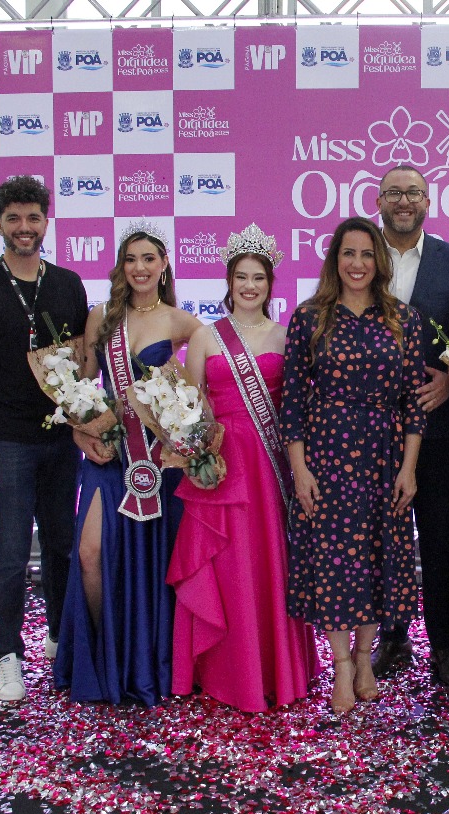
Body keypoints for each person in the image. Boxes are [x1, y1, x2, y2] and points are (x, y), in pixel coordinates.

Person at [166, 225, 320, 711]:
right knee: (226, 563)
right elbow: (190, 409)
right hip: (220, 466)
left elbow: (297, 407)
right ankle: (225, 670)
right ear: (229, 282)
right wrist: (194, 456)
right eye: (241, 277)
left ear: (271, 284)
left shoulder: (286, 335)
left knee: (266, 562)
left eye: (258, 278)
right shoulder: (205, 336)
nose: (249, 286)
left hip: (268, 466)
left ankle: (272, 669)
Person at [0, 175, 89, 702]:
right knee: (9, 556)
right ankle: (7, 657)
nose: (24, 227)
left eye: (33, 217)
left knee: (61, 547)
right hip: (5, 442)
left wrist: (86, 424)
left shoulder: (68, 284)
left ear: (46, 222)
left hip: (60, 440)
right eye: (14, 219)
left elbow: (81, 365)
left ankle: (58, 638)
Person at [280, 217, 426, 715]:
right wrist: (300, 470)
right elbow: (292, 402)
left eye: (367, 254)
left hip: (384, 457)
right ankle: (342, 667)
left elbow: (414, 403)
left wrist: (408, 468)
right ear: (334, 260)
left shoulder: (404, 319)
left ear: (379, 262)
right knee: (336, 564)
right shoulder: (309, 318)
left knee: (376, 560)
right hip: (327, 456)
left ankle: (366, 660)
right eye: (349, 253)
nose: (358, 263)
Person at [53, 224, 201, 705]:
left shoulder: (181, 322)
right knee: (90, 554)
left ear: (164, 266)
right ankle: (102, 659)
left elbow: (203, 385)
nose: (139, 267)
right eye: (131, 259)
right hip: (110, 454)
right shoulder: (101, 317)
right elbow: (84, 388)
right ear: (121, 267)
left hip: (157, 461)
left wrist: (191, 430)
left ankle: (149, 663)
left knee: (153, 563)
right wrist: (80, 432)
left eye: (149, 258)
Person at [370, 165, 449, 687]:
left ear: (428, 202)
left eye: (413, 192)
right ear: (379, 201)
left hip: (436, 426)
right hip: (367, 429)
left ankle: (444, 646)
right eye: (394, 193)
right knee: (380, 538)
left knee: (437, 538)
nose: (404, 201)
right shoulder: (359, 255)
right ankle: (390, 637)